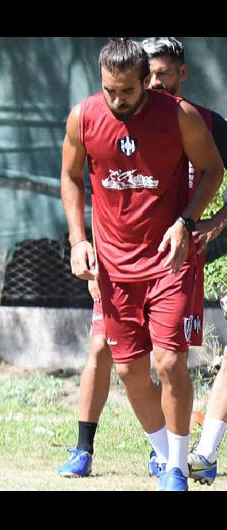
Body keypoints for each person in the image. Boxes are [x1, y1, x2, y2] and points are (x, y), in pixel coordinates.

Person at [57, 37, 227, 481]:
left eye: (127, 92)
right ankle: (163, 453)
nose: (117, 101)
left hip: (170, 261)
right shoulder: (84, 117)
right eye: (109, 91)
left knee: (169, 362)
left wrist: (188, 222)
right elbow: (71, 178)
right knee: (130, 370)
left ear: (145, 85)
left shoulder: (181, 118)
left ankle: (176, 467)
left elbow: (213, 169)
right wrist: (78, 239)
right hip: (114, 269)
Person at [139, 37, 227, 487]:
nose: (156, 83)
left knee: (172, 360)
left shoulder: (206, 123)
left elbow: (214, 173)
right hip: (143, 263)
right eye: (148, 75)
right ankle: (176, 453)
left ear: (183, 73)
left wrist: (217, 218)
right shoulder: (128, 123)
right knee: (138, 362)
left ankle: (191, 457)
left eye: (164, 74)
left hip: (195, 257)